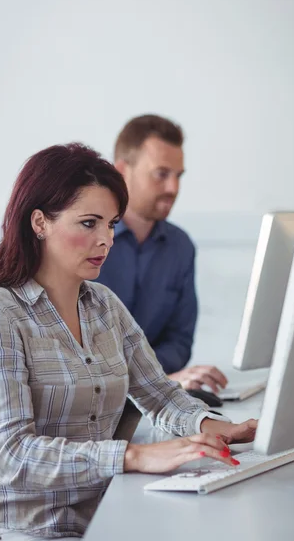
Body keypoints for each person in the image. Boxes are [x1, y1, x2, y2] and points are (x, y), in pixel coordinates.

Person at [0, 143, 256, 540]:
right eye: (89, 223)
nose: (107, 240)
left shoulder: (103, 305)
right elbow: (12, 455)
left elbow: (160, 394)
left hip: (104, 515)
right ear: (39, 223)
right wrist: (133, 455)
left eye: (112, 223)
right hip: (24, 527)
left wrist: (212, 425)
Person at [97, 114, 227, 393]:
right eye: (161, 174)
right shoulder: (85, 241)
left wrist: (152, 380)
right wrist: (151, 377)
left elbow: (179, 341)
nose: (174, 188)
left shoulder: (180, 247)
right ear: (122, 170)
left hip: (157, 399)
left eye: (178, 176)